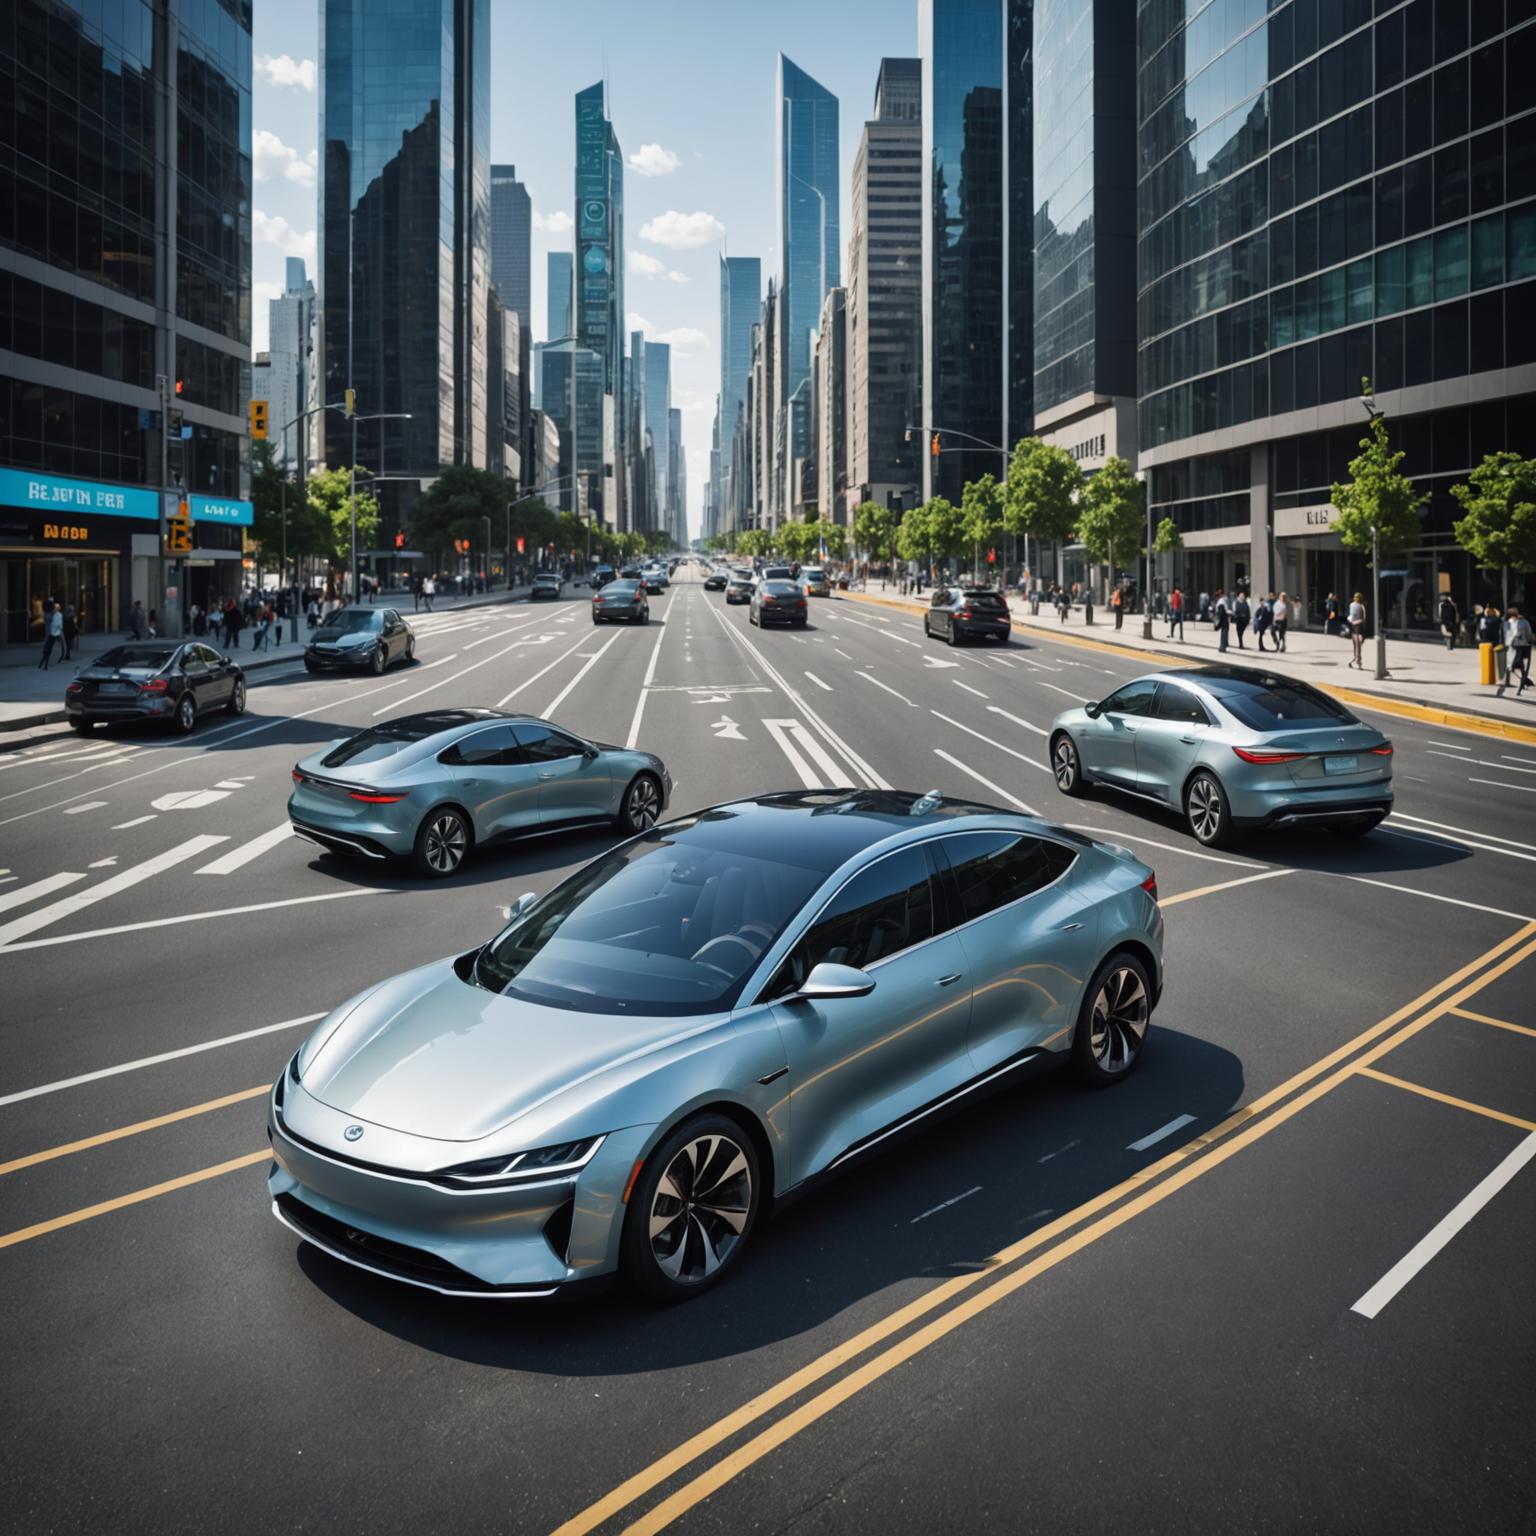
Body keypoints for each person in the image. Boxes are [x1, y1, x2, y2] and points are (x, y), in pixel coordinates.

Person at [1498, 607, 1532, 696]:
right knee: (1522, 668)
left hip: (1513, 648)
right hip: (1524, 647)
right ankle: (1522, 682)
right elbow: (1529, 634)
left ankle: (1522, 682)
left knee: (1512, 667)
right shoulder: (1524, 622)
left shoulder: (1505, 623)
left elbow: (1503, 635)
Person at [38, 599, 62, 669]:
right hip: (52, 634)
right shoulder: (52, 615)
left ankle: (43, 663)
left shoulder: (46, 614)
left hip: (48, 634)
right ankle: (44, 664)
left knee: (47, 648)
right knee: (48, 648)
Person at [1347, 591, 1367, 669]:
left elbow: (1364, 618)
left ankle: (1357, 659)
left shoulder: (1361, 606)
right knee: (1356, 644)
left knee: (1357, 644)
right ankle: (1357, 659)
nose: (1356, 599)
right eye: (1355, 597)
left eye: (1357, 597)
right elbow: (1352, 615)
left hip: (1358, 627)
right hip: (1355, 626)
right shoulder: (1353, 605)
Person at [1214, 587, 1231, 652]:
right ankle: (1222, 647)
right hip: (1224, 620)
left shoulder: (1221, 602)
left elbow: (1220, 613)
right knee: (1224, 634)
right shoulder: (1222, 602)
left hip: (1223, 620)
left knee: (1223, 634)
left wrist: (1218, 623)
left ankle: (1222, 647)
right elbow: (1222, 612)